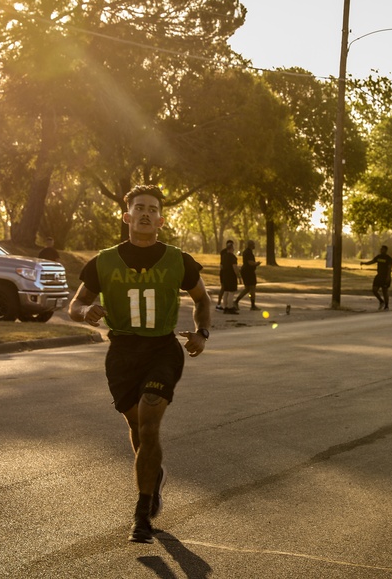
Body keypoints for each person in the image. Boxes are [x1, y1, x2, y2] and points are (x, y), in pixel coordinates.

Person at [67, 185, 212, 545]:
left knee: (149, 423)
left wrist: (202, 332)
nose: (145, 213)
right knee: (136, 424)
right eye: (139, 208)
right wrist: (87, 311)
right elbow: (75, 305)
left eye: (152, 209)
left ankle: (142, 514)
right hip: (122, 354)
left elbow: (202, 300)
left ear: (161, 220)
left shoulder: (179, 260)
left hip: (163, 349)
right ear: (127, 216)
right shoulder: (103, 261)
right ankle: (154, 475)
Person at [360, 245, 392, 311]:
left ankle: (386, 306)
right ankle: (381, 301)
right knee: (374, 290)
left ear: (386, 250)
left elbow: (389, 268)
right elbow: (372, 262)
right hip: (379, 276)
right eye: (381, 249)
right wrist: (364, 263)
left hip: (385, 276)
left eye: (383, 249)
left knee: (385, 291)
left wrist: (388, 277)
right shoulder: (378, 257)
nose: (381, 250)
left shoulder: (388, 258)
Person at [233, 239, 260, 310]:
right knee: (252, 288)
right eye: (253, 244)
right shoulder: (249, 252)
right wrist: (256, 264)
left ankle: (236, 301)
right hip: (249, 272)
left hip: (245, 271)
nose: (254, 246)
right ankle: (253, 305)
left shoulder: (246, 252)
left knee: (247, 289)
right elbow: (250, 262)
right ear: (251, 245)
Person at [218, 239, 240, 314]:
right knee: (231, 292)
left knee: (226, 292)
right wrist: (239, 276)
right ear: (231, 249)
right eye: (233, 248)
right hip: (231, 276)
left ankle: (225, 307)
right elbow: (235, 267)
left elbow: (221, 266)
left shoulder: (224, 256)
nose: (234, 249)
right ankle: (230, 307)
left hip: (224, 275)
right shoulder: (233, 257)